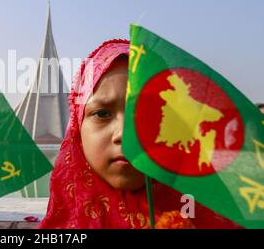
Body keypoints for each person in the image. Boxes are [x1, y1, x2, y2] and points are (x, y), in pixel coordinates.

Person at [39, 39, 240, 229]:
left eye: (147, 113)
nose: (125, 135)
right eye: (101, 114)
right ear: (77, 129)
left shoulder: (210, 215)